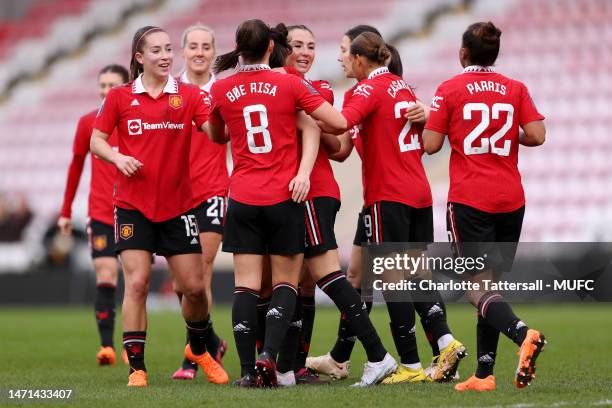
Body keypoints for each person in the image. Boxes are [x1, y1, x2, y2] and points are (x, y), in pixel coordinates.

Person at [208, 19, 397, 388]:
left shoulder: (309, 86)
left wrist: (307, 158)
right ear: (277, 48)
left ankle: (281, 367)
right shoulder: (288, 84)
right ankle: (291, 367)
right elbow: (333, 129)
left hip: (300, 192)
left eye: (312, 45)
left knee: (315, 277)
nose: (306, 52)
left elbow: (338, 144)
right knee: (300, 283)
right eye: (297, 44)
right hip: (289, 193)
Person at [307, 25, 458, 383]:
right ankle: (445, 343)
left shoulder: (366, 89)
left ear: (361, 57)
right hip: (415, 192)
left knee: (392, 280)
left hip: (387, 194)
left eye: (346, 52)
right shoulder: (399, 85)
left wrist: (306, 110)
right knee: (389, 275)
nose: (341, 59)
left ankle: (409, 365)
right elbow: (350, 144)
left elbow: (343, 122)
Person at [90, 25, 228, 387]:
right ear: (140, 57)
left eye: (169, 49)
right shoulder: (119, 97)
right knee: (137, 283)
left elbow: (216, 134)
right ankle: (137, 367)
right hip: (133, 207)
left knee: (195, 289)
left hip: (179, 208)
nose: (166, 55)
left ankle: (199, 347)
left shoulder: (189, 95)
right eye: (157, 50)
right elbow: (97, 140)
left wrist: (222, 119)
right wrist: (117, 157)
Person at [423, 21, 547, 392]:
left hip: (471, 200)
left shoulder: (450, 89)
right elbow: (538, 136)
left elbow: (431, 144)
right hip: (511, 199)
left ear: (463, 53)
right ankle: (484, 374)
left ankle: (523, 333)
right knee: (490, 286)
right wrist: (508, 133)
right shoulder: (515, 88)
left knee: (477, 288)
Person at [57, 64, 129, 366]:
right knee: (106, 273)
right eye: (102, 85)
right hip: (100, 211)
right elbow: (75, 166)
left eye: (112, 85)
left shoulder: (134, 121)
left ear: (126, 87)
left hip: (132, 211)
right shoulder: (88, 123)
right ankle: (106, 347)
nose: (105, 90)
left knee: (137, 280)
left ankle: (131, 344)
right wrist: (65, 211)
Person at [171, 23, 229, 381]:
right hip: (176, 197)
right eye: (193, 45)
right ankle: (212, 340)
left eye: (206, 46)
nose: (199, 52)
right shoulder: (168, 91)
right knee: (182, 285)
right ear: (182, 50)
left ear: (213, 51)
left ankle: (194, 356)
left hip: (212, 190)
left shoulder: (222, 91)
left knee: (201, 272)